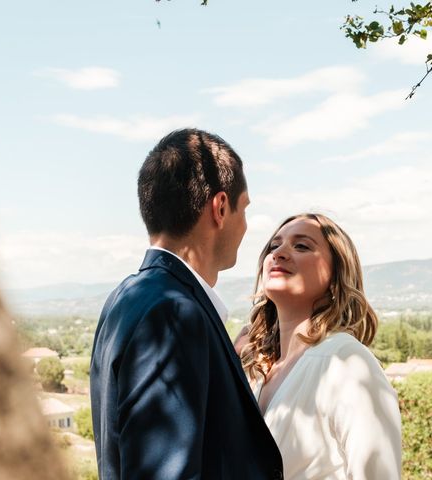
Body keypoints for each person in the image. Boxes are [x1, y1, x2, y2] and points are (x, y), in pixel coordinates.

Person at [90, 128, 283, 480]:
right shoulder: (173, 315)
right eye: (244, 209)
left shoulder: (125, 298)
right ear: (220, 208)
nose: (246, 225)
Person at [239, 213, 402, 480]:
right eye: (273, 246)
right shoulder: (261, 372)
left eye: (301, 245)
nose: (279, 253)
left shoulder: (348, 363)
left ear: (336, 278)